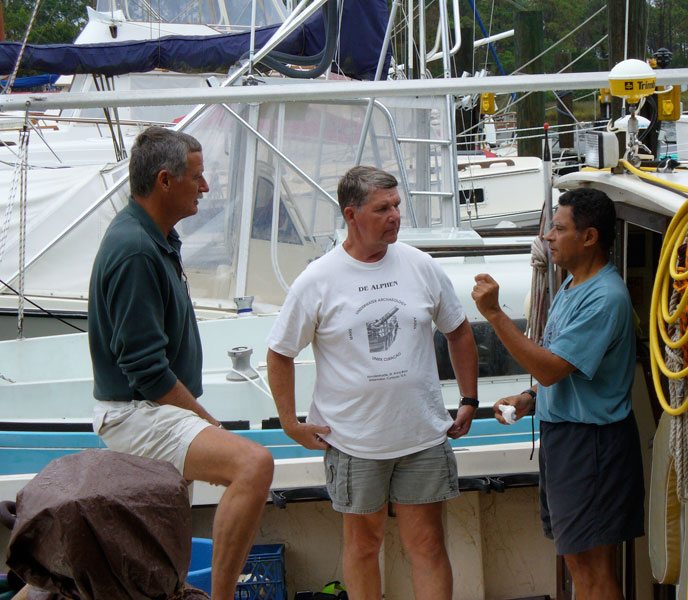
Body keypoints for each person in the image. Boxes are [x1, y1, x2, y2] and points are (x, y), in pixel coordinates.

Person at [267, 165, 478, 600]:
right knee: (363, 546)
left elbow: (458, 331)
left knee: (428, 544)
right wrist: (290, 422)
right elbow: (280, 352)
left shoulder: (421, 265)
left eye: (396, 205)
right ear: (351, 214)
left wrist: (469, 398)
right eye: (382, 209)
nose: (395, 215)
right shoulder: (318, 279)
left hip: (421, 436)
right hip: (354, 442)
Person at [87, 126, 274, 600]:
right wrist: (210, 424)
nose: (205, 187)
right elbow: (147, 372)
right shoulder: (134, 250)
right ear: (165, 181)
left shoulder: (154, 238)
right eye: (198, 176)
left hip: (152, 411)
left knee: (162, 552)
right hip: (139, 412)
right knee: (253, 465)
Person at [471, 188, 644, 600]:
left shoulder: (604, 298)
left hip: (592, 445)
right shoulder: (572, 285)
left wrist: (494, 314)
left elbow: (550, 368)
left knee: (591, 569)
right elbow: (562, 367)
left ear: (589, 237)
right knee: (578, 562)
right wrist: (529, 398)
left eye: (559, 228)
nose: (548, 236)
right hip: (567, 439)